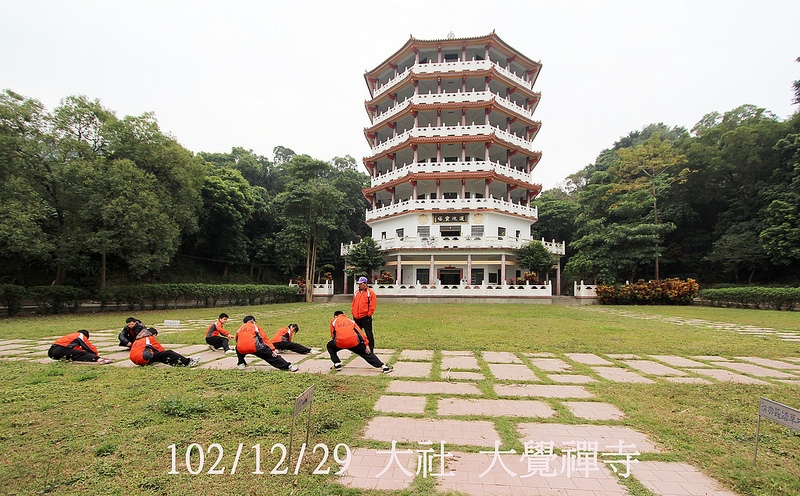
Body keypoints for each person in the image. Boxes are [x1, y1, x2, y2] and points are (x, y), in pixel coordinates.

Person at [129, 327, 200, 367]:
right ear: (153, 334)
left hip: (135, 360)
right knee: (168, 353)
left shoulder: (139, 339)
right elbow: (160, 349)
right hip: (142, 358)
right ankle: (187, 362)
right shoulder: (149, 338)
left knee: (157, 354)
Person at [352, 276, 378, 349]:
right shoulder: (356, 293)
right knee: (357, 333)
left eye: (361, 283)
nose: (359, 285)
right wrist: (353, 313)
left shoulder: (370, 293)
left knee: (368, 333)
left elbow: (372, 305)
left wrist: (368, 314)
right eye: (359, 284)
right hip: (356, 317)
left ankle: (371, 347)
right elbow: (353, 303)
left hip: (365, 317)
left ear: (365, 284)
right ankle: (358, 347)